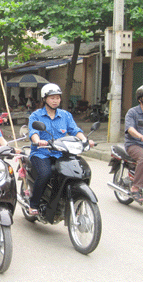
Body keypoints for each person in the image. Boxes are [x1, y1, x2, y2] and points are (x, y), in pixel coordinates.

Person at [27, 83, 95, 215]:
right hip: (42, 153)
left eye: (57, 98)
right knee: (45, 173)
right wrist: (38, 141)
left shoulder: (65, 115)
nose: (55, 100)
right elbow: (33, 132)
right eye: (52, 98)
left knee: (78, 171)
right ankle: (33, 204)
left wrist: (85, 140)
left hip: (61, 153)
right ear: (45, 99)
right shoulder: (36, 116)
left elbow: (75, 130)